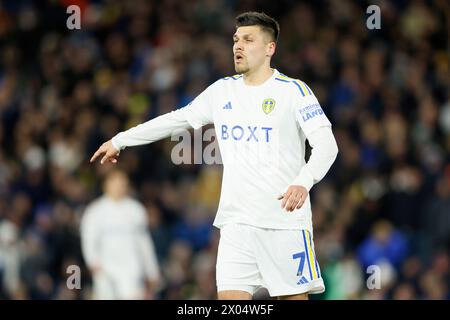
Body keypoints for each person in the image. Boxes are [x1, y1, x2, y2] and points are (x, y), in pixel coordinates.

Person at [90, 12, 338, 300]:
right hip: (236, 227)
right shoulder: (222, 91)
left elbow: (327, 146)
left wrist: (303, 182)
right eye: (235, 40)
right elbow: (177, 119)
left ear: (270, 48)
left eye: (248, 40)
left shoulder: (294, 92)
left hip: (282, 224)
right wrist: (122, 140)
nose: (238, 46)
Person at [80, 169, 160, 299]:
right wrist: (93, 262)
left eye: (123, 183)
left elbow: (144, 242)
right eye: (116, 182)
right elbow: (88, 240)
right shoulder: (94, 211)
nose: (119, 186)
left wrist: (152, 270)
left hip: (132, 270)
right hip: (105, 269)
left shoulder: (136, 209)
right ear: (106, 184)